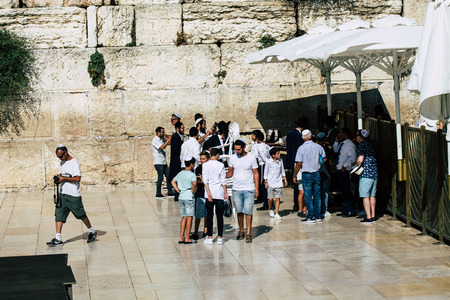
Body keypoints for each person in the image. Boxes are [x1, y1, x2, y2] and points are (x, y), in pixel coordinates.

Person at [47, 145, 97, 245]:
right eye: (58, 157)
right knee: (59, 215)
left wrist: (64, 179)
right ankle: (58, 238)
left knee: (81, 214)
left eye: (60, 156)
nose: (59, 158)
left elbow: (77, 178)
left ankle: (91, 231)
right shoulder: (62, 162)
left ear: (66, 153)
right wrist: (59, 179)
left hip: (73, 195)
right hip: (63, 194)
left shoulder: (74, 163)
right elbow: (63, 176)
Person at [226, 140, 259, 243]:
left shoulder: (251, 157)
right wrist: (222, 175)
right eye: (235, 149)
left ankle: (248, 233)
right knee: (239, 211)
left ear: (244, 147)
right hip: (236, 188)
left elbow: (255, 172)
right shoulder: (232, 157)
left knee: (248, 211)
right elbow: (230, 171)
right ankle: (241, 230)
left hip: (249, 188)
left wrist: (257, 188)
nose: (237, 151)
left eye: (239, 149)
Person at [293, 130, 326, 223]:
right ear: (311, 136)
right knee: (317, 195)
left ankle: (310, 216)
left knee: (308, 195)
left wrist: (295, 174)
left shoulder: (301, 148)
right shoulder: (318, 147)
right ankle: (318, 215)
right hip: (316, 172)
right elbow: (324, 158)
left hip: (306, 173)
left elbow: (298, 163)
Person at [203, 148, 228, 245]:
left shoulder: (205, 165)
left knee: (209, 215)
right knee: (219, 216)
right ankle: (220, 237)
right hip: (219, 192)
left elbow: (205, 180)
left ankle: (210, 237)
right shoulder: (221, 165)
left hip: (210, 193)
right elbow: (223, 180)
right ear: (217, 154)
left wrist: (208, 193)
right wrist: (225, 192)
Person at [171, 157, 197, 244]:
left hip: (181, 196)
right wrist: (193, 190)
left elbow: (172, 181)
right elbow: (194, 183)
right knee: (189, 217)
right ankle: (187, 237)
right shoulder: (192, 174)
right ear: (191, 164)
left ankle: (181, 237)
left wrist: (178, 190)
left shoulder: (180, 173)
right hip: (189, 197)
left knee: (184, 217)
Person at [333, 128, 357, 217]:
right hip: (340, 170)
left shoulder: (349, 145)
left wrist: (345, 165)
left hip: (346, 170)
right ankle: (346, 208)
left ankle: (351, 209)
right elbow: (335, 150)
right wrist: (336, 142)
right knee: (343, 190)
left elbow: (353, 157)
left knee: (348, 190)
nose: (339, 134)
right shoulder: (341, 144)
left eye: (341, 133)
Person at [355, 129, 378, 224]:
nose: (356, 137)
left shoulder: (362, 145)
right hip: (374, 173)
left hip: (366, 174)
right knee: (372, 195)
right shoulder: (369, 144)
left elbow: (360, 160)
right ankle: (373, 215)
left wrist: (356, 163)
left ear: (360, 137)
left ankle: (368, 217)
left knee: (365, 195)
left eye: (357, 135)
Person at [286, 118, 308, 215]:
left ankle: (296, 205)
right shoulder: (299, 136)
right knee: (300, 187)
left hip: (292, 161)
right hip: (299, 162)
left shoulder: (290, 134)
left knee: (296, 186)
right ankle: (300, 206)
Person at [264, 147, 288, 220]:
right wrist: (266, 182)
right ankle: (270, 208)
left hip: (278, 182)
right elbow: (266, 172)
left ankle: (277, 213)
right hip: (270, 182)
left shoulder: (280, 161)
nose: (279, 154)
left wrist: (285, 179)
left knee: (278, 198)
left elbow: (282, 170)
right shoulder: (268, 162)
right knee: (270, 199)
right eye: (278, 153)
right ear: (273, 155)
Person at [251, 130, 271, 211]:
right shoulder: (266, 145)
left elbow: (263, 157)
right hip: (265, 164)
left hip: (263, 165)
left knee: (263, 183)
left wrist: (268, 163)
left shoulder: (259, 146)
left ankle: (266, 203)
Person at [191, 151, 209, 240]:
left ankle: (206, 231)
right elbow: (198, 180)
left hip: (208, 193)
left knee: (207, 213)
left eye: (203, 159)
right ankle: (196, 232)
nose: (202, 161)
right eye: (201, 159)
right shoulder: (198, 168)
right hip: (200, 193)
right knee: (198, 214)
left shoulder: (209, 167)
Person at [152, 127, 174, 199]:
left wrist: (169, 138)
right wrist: (169, 139)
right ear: (158, 133)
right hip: (158, 162)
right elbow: (161, 147)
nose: (163, 133)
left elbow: (169, 143)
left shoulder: (162, 139)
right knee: (160, 178)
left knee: (168, 176)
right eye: (162, 132)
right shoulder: (155, 140)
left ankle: (170, 192)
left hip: (163, 162)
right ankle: (158, 194)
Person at [317, 132, 332, 217]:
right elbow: (330, 163)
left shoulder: (315, 148)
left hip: (316, 172)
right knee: (325, 192)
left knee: (317, 192)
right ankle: (324, 209)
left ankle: (318, 209)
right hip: (325, 173)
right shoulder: (326, 148)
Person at [169, 121, 184, 201]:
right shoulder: (175, 137)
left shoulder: (179, 136)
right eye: (182, 128)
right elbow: (175, 149)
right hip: (176, 161)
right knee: (176, 178)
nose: (183, 130)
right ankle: (177, 195)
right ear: (178, 129)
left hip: (178, 160)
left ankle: (178, 195)